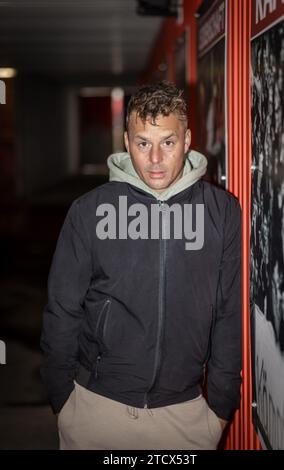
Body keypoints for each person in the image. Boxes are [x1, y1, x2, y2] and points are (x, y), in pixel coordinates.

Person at [40, 81, 242, 450]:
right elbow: (62, 308)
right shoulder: (88, 211)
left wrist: (220, 406)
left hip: (187, 416)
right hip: (96, 409)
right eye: (142, 143)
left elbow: (230, 312)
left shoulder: (222, 212)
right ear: (126, 142)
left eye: (167, 142)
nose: (154, 159)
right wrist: (63, 399)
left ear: (186, 139)